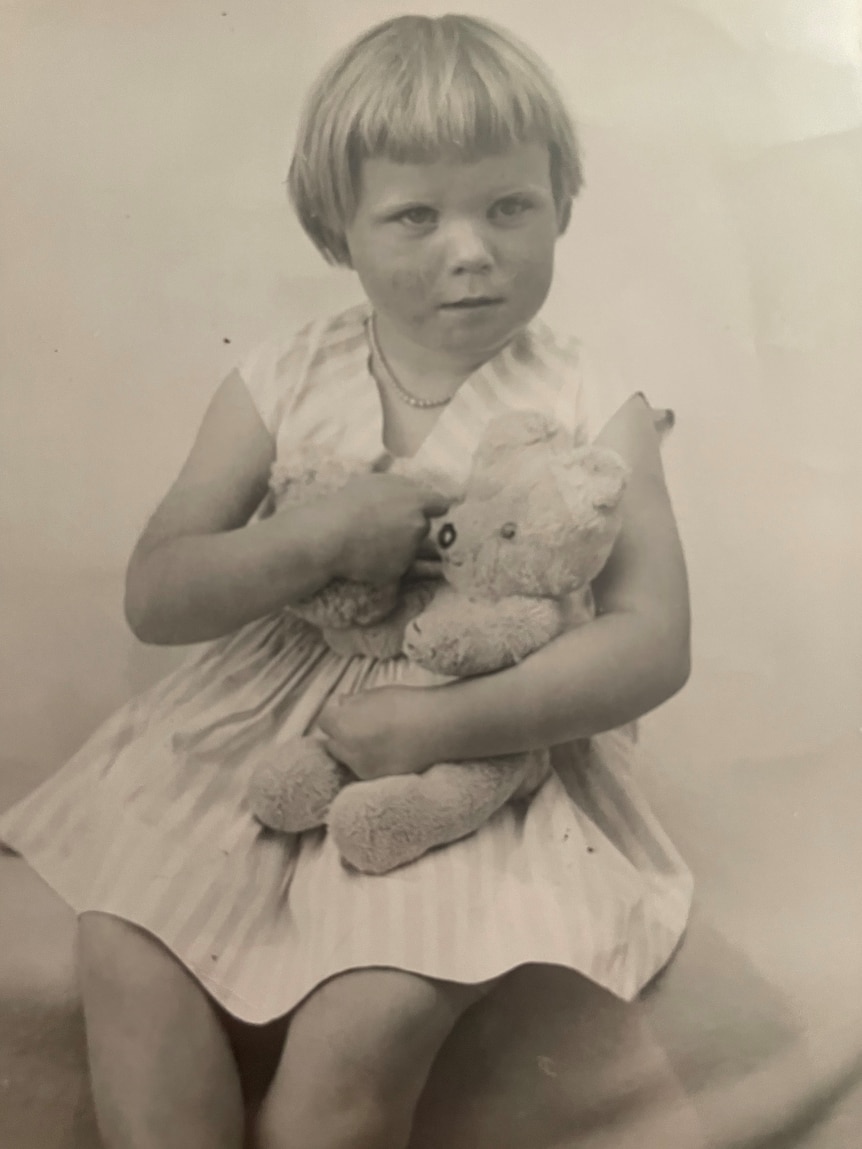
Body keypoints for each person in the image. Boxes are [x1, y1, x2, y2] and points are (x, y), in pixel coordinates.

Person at [0, 14, 693, 1149]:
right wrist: (313, 541)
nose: (469, 249)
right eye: (415, 215)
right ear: (338, 229)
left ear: (562, 203)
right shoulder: (280, 377)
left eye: (508, 206)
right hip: (250, 734)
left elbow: (651, 641)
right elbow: (158, 592)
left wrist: (440, 724)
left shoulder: (592, 397)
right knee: (127, 948)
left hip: (472, 751)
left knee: (364, 1028)